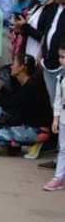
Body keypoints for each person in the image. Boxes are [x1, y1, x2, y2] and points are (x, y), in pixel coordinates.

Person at [0, 54, 51, 158]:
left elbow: (8, 105)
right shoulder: (23, 82)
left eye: (14, 63)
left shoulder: (31, 85)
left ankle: (33, 142)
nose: (11, 66)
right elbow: (12, 98)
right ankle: (13, 145)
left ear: (22, 67)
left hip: (37, 129)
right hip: (25, 123)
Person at [43, 43, 65, 191]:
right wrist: (56, 118)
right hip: (63, 117)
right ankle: (59, 177)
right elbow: (58, 98)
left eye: (64, 57)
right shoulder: (61, 77)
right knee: (63, 149)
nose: (61, 60)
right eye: (60, 57)